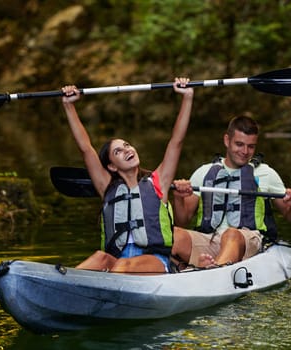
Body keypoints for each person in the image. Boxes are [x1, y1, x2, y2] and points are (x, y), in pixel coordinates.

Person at [61, 77, 194, 274]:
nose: (126, 150)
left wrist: (187, 98)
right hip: (117, 261)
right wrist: (68, 106)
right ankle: (64, 282)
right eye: (118, 152)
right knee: (100, 258)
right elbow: (86, 149)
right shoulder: (106, 187)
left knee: (121, 266)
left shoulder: (159, 182)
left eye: (127, 145)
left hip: (154, 261)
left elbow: (176, 141)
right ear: (112, 167)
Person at [171, 115, 291, 269]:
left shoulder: (266, 174)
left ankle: (211, 273)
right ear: (227, 140)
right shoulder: (203, 172)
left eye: (251, 146)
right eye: (239, 144)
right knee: (173, 234)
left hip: (247, 240)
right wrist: (178, 198)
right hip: (209, 240)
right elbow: (182, 220)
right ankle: (192, 268)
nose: (245, 151)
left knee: (231, 234)